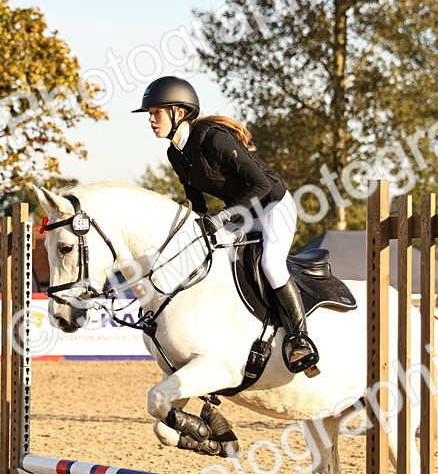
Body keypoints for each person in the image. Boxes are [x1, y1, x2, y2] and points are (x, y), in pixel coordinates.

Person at [134, 75, 319, 373]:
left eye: (157, 113)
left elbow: (259, 185)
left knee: (271, 264)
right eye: (151, 114)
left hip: (273, 205)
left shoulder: (214, 139)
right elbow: (197, 204)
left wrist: (222, 217)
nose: (151, 120)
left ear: (178, 113)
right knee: (211, 259)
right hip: (241, 214)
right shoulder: (175, 154)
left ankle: (300, 339)